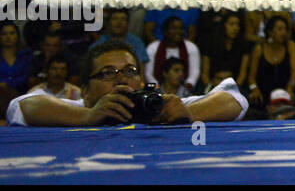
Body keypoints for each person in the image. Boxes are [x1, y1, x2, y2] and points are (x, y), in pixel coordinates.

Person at [6, 39, 247, 126]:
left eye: (130, 71)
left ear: (142, 82)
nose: (122, 78)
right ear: (86, 90)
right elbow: (20, 105)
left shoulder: (156, 108)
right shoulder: (80, 108)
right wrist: (87, 118)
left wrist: (188, 111)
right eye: (108, 72)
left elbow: (233, 98)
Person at [245, 14, 295, 110]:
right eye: (279, 29)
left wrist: (290, 88)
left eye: (285, 29)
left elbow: (294, 73)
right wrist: (255, 89)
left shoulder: (291, 46)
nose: (283, 33)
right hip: (263, 92)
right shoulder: (259, 48)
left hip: (284, 91)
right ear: (270, 32)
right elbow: (251, 77)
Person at [146, 15, 202, 89]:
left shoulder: (191, 47)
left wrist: (187, 87)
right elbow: (148, 74)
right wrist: (158, 89)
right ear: (165, 31)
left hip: (185, 90)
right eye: (174, 28)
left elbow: (194, 72)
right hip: (158, 89)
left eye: (181, 29)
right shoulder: (153, 47)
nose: (178, 32)